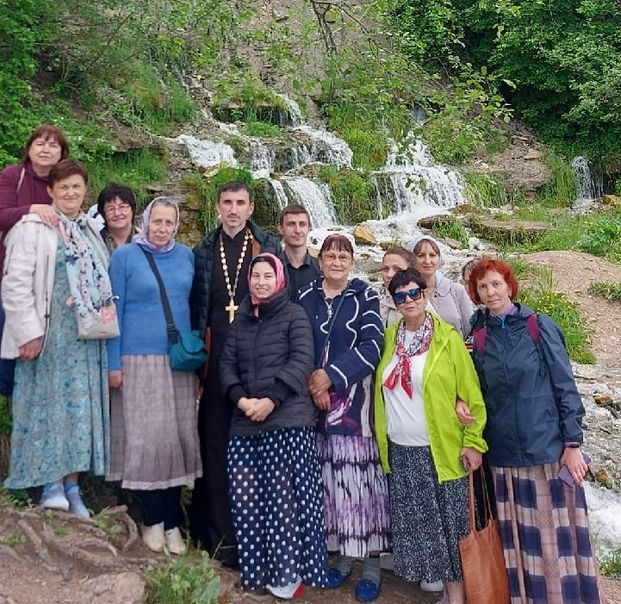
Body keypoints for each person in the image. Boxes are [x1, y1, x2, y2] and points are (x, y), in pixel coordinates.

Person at [467, 258, 603, 604]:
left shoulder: (537, 326)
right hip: (503, 456)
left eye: (496, 284)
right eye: (483, 287)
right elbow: (476, 391)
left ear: (509, 286)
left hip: (546, 451)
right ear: (476, 293)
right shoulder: (478, 335)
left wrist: (572, 443)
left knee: (553, 544)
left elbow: (565, 385)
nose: (491, 292)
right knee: (519, 544)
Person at [1, 159, 110, 517]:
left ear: (85, 191)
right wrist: (27, 333)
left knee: (78, 413)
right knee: (45, 408)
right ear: (50, 191)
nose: (71, 193)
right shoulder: (32, 228)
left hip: (83, 339)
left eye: (77, 187)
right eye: (63, 187)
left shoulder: (90, 230)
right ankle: (49, 484)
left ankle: (72, 486)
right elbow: (15, 284)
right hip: (46, 337)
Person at [374, 267, 487, 604]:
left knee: (452, 530)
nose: (408, 300)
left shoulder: (447, 339)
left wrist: (473, 441)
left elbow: (471, 395)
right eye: (400, 296)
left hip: (440, 450)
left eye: (414, 293)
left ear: (424, 295)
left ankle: (458, 598)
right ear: (394, 303)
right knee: (425, 531)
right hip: (401, 451)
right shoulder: (389, 339)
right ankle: (447, 596)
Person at [220, 253, 328, 598]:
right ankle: (257, 571)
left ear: (279, 280)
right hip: (245, 421)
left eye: (268, 276)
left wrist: (271, 400)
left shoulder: (294, 315)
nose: (261, 282)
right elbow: (226, 365)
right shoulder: (241, 321)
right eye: (256, 276)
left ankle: (287, 575)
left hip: (286, 420)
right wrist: (241, 400)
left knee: (283, 500)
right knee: (246, 500)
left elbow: (301, 361)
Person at [189, 181, 285, 565]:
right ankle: (218, 539)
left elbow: (281, 302)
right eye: (227, 202)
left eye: (240, 202)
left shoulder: (267, 246)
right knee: (214, 449)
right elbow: (195, 308)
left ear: (251, 207)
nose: (233, 209)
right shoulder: (203, 251)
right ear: (217, 206)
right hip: (214, 366)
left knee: (255, 452)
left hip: (256, 365)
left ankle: (257, 538)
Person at [107, 197, 201, 555]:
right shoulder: (125, 257)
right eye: (156, 221)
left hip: (177, 362)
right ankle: (152, 519)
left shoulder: (186, 257)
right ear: (145, 222)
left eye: (168, 223)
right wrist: (112, 363)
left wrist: (198, 367)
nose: (162, 229)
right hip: (137, 361)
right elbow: (112, 311)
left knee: (176, 440)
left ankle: (173, 522)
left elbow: (192, 308)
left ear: (176, 225)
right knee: (147, 442)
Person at [297, 234, 388, 603]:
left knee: (361, 488)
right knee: (332, 488)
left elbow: (373, 345)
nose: (336, 261)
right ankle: (343, 557)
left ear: (352, 261)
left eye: (343, 256)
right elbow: (297, 343)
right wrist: (314, 382)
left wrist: (331, 377)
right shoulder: (305, 296)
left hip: (355, 410)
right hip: (315, 410)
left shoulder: (365, 295)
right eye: (330, 255)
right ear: (320, 260)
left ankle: (372, 566)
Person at [0, 124, 69, 395]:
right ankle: (9, 394)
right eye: (40, 143)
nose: (45, 149)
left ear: (62, 153)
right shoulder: (13, 175)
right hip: (11, 270)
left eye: (53, 145)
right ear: (29, 149)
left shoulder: (64, 183)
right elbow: (2, 214)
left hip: (50, 278)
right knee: (10, 333)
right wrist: (32, 209)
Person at [411, 236, 472, 338]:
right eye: (421, 255)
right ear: (412, 259)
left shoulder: (456, 290)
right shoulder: (408, 294)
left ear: (439, 259)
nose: (427, 261)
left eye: (432, 255)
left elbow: (470, 331)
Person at [278, 203, 320, 300]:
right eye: (291, 224)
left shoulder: (322, 269)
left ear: (309, 228)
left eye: (302, 224)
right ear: (281, 228)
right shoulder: (272, 269)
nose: (297, 230)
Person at [96, 183, 138, 252]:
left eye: (122, 207)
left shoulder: (145, 240)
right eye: (111, 209)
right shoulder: (95, 242)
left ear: (132, 210)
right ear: (103, 213)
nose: (117, 213)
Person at [379, 247, 414, 328]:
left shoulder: (418, 307)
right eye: (386, 269)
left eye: (397, 269)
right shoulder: (381, 305)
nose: (389, 275)